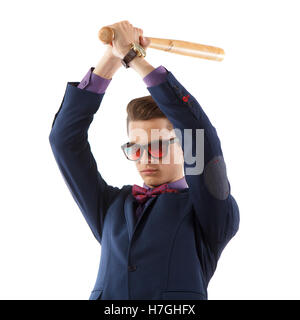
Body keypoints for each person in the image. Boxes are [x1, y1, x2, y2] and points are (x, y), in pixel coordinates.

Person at [49, 20, 240, 300]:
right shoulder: (110, 207)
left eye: (159, 146)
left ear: (184, 148)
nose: (145, 158)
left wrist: (134, 58)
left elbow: (198, 133)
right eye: (136, 148)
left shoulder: (210, 210)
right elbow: (64, 140)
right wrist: (111, 58)